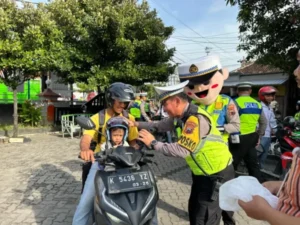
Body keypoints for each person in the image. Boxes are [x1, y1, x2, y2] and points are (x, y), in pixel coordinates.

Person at [126, 81, 235, 225]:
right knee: (194, 212)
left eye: (165, 105)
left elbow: (181, 150)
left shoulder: (194, 119)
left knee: (204, 218)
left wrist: (153, 143)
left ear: (176, 101)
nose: (164, 109)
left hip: (216, 174)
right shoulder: (180, 117)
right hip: (202, 174)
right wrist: (136, 124)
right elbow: (159, 125)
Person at [178, 55, 240, 224]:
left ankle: (228, 219)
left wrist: (215, 129)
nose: (199, 89)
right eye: (192, 85)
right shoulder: (192, 106)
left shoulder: (227, 102)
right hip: (199, 160)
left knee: (225, 196)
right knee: (202, 195)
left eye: (204, 82)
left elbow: (236, 126)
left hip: (219, 159)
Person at [72, 82, 139, 225]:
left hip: (124, 163)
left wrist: (139, 151)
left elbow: (133, 142)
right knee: (85, 202)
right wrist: (85, 149)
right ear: (111, 99)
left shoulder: (130, 119)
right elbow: (86, 138)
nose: (123, 105)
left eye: (125, 103)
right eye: (120, 101)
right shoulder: (99, 118)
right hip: (101, 162)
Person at [233, 82, 267, 182]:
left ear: (237, 91)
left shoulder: (234, 102)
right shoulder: (257, 104)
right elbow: (264, 122)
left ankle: (228, 184)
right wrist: (259, 136)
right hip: (252, 137)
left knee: (232, 163)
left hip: (238, 138)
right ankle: (258, 185)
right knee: (253, 163)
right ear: (250, 91)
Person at [258, 86, 278, 168]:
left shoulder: (269, 107)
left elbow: (272, 120)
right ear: (262, 96)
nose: (270, 97)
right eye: (268, 95)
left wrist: (276, 130)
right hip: (261, 135)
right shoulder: (259, 106)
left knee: (264, 156)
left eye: (272, 95)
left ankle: (261, 171)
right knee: (258, 154)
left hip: (268, 135)